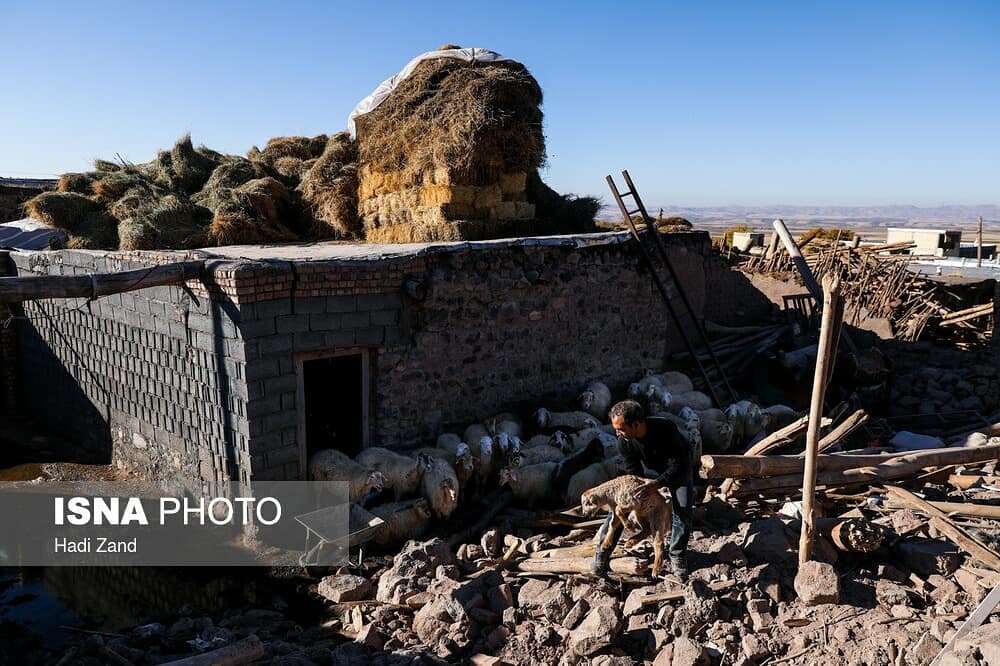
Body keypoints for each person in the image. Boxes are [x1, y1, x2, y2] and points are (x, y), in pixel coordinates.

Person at [591, 399, 696, 581]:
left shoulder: (666, 429)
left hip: (679, 466)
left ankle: (677, 555)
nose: (617, 433)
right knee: (619, 505)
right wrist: (636, 491)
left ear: (637, 424)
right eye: (616, 428)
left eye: (622, 428)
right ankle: (603, 551)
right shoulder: (623, 442)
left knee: (683, 509)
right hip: (650, 471)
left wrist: (658, 483)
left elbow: (678, 462)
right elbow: (633, 472)